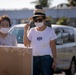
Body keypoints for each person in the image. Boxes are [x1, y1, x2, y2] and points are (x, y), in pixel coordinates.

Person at [23, 5, 57, 75]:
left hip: (46, 59)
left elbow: (53, 47)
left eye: (40, 20)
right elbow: (26, 44)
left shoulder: (50, 31)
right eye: (35, 20)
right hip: (33, 58)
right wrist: (25, 30)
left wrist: (55, 60)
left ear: (44, 19)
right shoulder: (32, 31)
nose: (37, 21)